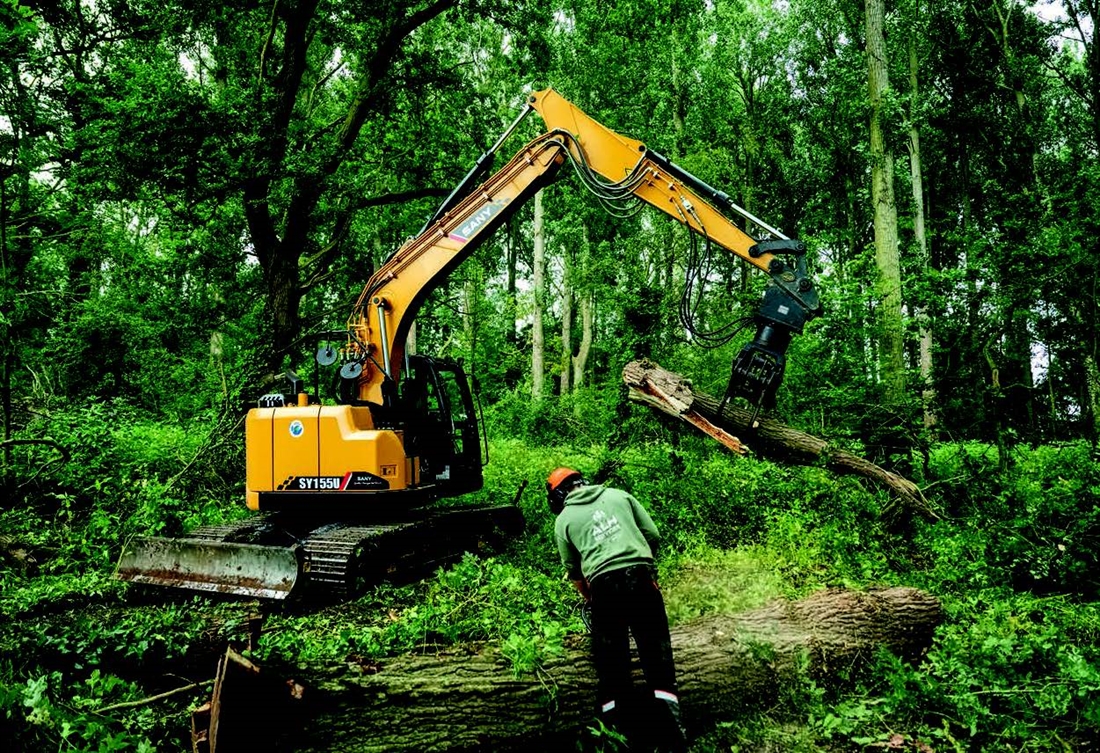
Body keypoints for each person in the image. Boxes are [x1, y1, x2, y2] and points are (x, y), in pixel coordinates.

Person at [547, 467, 688, 752]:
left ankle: (619, 738)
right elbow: (652, 534)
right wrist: (643, 569)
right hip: (641, 580)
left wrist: (590, 597)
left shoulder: (563, 521)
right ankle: (674, 738)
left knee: (613, 667)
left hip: (604, 589)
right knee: (658, 659)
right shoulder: (618, 495)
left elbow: (574, 572)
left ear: (559, 495)